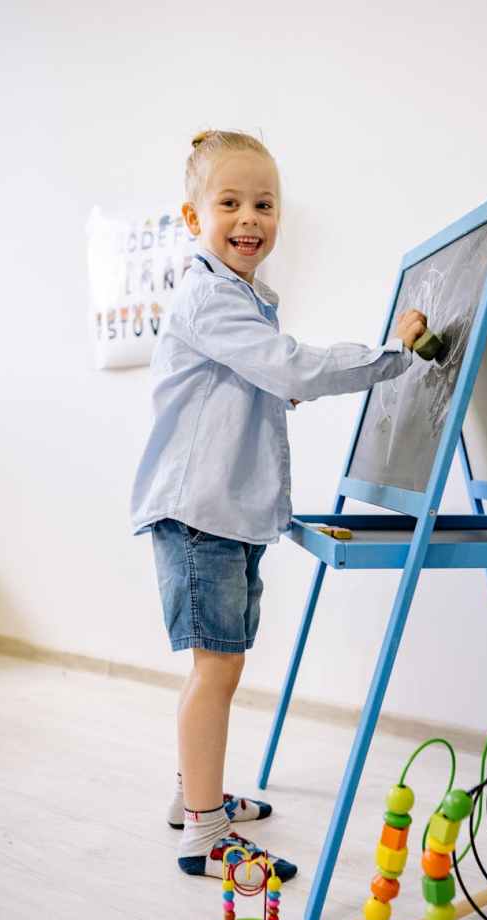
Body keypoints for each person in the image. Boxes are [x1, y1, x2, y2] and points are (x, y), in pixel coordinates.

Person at [130, 129, 428, 881]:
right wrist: (386, 356)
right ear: (193, 219)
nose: (249, 217)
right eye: (229, 202)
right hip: (200, 514)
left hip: (228, 514)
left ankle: (192, 796)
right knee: (215, 670)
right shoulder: (208, 297)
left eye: (263, 203)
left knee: (219, 665)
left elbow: (274, 382)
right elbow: (288, 365)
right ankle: (203, 831)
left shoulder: (246, 301)